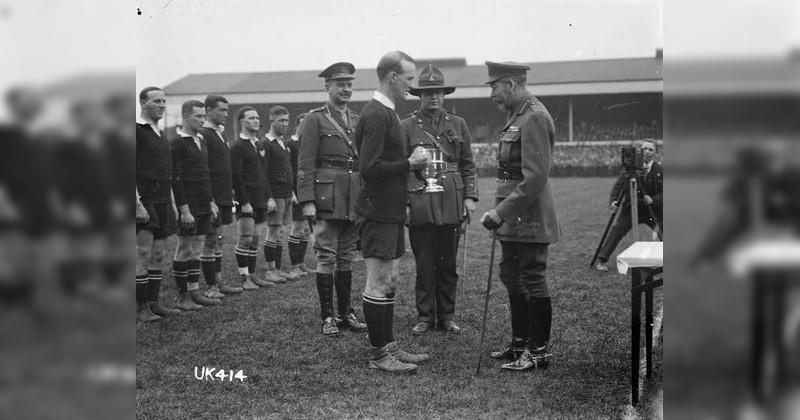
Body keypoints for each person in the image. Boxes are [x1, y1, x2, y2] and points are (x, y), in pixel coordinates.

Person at [479, 61, 560, 371]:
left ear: (510, 84)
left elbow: (535, 177)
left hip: (529, 215)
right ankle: (519, 344)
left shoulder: (535, 117)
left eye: (494, 87)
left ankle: (538, 352)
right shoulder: (517, 115)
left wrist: (501, 212)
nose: (492, 95)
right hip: (513, 216)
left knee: (532, 278)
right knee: (512, 277)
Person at [354, 51, 431, 373]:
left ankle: (388, 347)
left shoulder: (387, 113)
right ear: (392, 77)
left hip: (391, 211)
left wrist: (411, 167)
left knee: (391, 280)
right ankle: (378, 355)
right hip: (377, 213)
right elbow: (368, 168)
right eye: (410, 79)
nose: (412, 86)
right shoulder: (375, 115)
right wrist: (409, 163)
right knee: (379, 282)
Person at [401, 64, 478, 335]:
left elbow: (468, 164)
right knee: (424, 264)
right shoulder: (407, 126)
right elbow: (403, 167)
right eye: (428, 92)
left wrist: (470, 197)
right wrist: (408, 203)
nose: (434, 97)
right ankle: (425, 317)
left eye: (438, 92)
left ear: (444, 94)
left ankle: (446, 316)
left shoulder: (458, 124)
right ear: (419, 95)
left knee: (448, 264)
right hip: (420, 200)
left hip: (451, 201)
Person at [298, 62, 367, 336]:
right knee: (326, 255)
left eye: (349, 84)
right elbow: (304, 162)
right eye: (340, 84)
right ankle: (327, 316)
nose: (346, 89)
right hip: (326, 196)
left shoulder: (358, 119)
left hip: (353, 196)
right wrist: (307, 200)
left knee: (347, 256)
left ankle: (345, 313)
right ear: (327, 86)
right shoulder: (314, 119)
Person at [170, 100, 221, 310]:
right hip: (188, 206)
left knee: (197, 248)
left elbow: (205, 175)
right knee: (184, 248)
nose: (202, 120)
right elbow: (176, 178)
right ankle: (182, 296)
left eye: (203, 116)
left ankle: (194, 291)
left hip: (203, 204)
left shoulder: (202, 140)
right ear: (185, 116)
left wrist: (211, 201)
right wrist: (183, 209)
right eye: (198, 116)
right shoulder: (177, 143)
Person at [136, 86, 181, 321]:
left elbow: (167, 173)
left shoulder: (160, 132)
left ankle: (153, 303)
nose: (162, 105)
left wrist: (172, 202)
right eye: (157, 101)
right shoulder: (135, 130)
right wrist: (136, 203)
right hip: (144, 199)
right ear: (143, 103)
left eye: (164, 101)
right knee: (142, 253)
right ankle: (140, 308)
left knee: (158, 255)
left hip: (163, 200)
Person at [595, 139, 663, 271]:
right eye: (644, 149)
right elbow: (618, 187)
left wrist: (654, 199)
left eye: (650, 149)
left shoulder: (660, 170)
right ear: (640, 151)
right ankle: (602, 259)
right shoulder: (630, 168)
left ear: (656, 152)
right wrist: (614, 201)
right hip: (631, 208)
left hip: (652, 210)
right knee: (617, 230)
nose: (647, 152)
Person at [199, 95, 242, 297]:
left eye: (227, 110)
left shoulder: (219, 134)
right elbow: (205, 169)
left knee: (219, 240)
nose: (226, 114)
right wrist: (210, 199)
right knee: (210, 240)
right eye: (222, 110)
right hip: (213, 197)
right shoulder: (205, 134)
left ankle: (218, 282)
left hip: (224, 195)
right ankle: (210, 287)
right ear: (208, 111)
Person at [230, 106, 273, 290]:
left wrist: (270, 197)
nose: (256, 120)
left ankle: (253, 275)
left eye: (257, 117)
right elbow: (236, 176)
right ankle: (244, 278)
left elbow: (265, 173)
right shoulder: (237, 146)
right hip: (246, 201)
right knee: (246, 238)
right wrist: (244, 201)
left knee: (256, 239)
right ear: (242, 122)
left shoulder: (259, 144)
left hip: (261, 199)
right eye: (251, 118)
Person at [258, 106, 299, 283]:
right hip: (275, 195)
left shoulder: (283, 142)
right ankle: (270, 270)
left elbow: (287, 168)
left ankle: (279, 268)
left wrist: (292, 192)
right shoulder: (265, 143)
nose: (284, 124)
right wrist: (269, 197)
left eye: (286, 121)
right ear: (271, 120)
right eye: (280, 120)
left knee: (281, 231)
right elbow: (264, 172)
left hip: (286, 193)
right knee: (273, 231)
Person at [286, 112, 315, 277]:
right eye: (303, 124)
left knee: (304, 228)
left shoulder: (307, 143)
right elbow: (288, 170)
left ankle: (301, 263)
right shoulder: (290, 143)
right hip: (296, 192)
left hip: (305, 191)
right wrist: (292, 192)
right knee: (297, 227)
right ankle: (294, 266)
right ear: (297, 125)